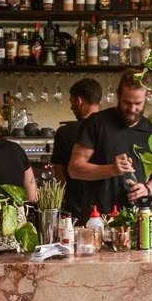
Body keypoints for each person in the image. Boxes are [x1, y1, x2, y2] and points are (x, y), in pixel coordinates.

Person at [68, 70, 152, 220]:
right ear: (118, 94)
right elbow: (74, 168)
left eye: (138, 103)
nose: (132, 109)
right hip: (97, 220)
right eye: (127, 102)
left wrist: (147, 189)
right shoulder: (96, 123)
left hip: (136, 220)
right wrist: (111, 169)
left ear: (147, 96)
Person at [50, 77, 102, 225]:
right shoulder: (110, 129)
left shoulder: (65, 132)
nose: (71, 107)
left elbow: (60, 175)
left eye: (72, 102)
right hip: (106, 206)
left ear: (79, 101)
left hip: (75, 208)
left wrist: (60, 202)